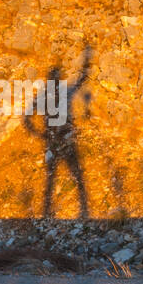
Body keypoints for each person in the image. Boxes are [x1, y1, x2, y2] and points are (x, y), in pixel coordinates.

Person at [23, 46, 92, 219]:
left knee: (54, 178)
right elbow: (81, 79)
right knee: (72, 176)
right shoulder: (60, 92)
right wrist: (87, 58)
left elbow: (27, 119)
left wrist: (39, 134)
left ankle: (50, 212)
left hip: (55, 140)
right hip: (63, 140)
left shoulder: (46, 95)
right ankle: (81, 210)